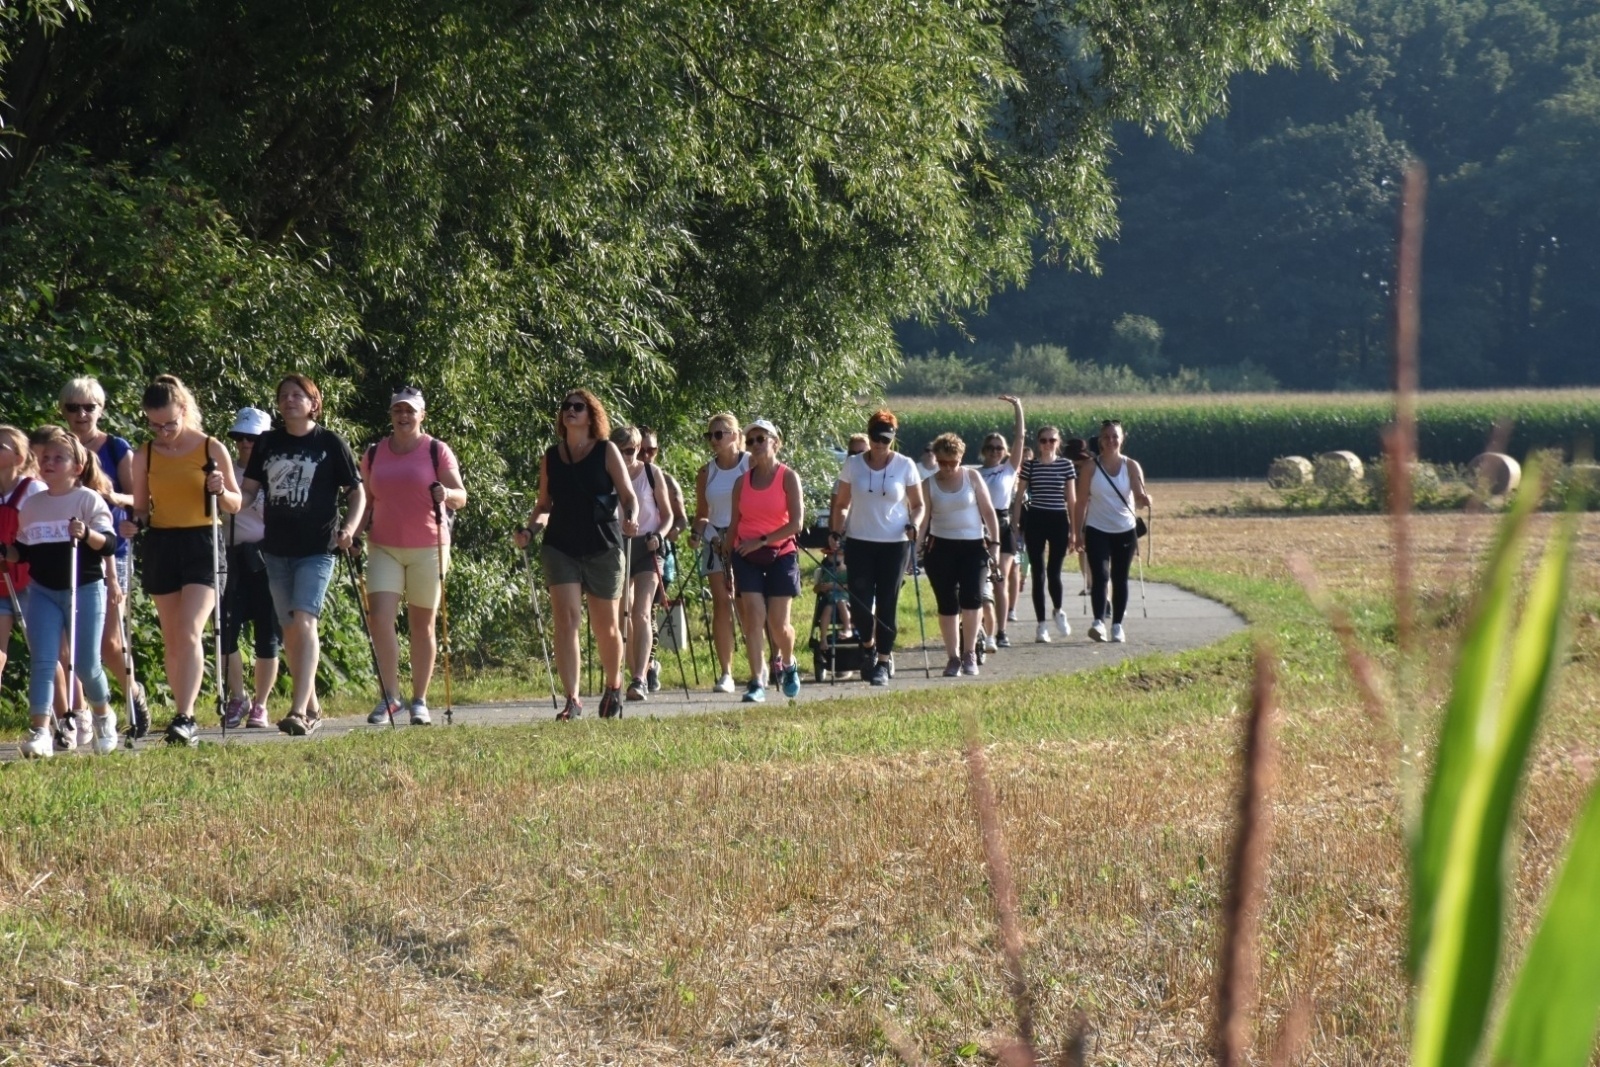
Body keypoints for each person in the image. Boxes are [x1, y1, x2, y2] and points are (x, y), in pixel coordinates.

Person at [240, 374, 365, 736]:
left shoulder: (330, 442)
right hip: (277, 548)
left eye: (298, 395)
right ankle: (312, 704)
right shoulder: (267, 443)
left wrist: (350, 529)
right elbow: (248, 492)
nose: (289, 400)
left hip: (318, 547)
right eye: (284, 395)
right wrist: (225, 498)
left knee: (305, 619)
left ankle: (298, 711)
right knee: (290, 629)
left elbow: (357, 492)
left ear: (314, 403)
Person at [124, 375, 242, 745]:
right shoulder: (145, 454)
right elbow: (141, 508)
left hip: (202, 541)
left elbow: (236, 503)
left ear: (184, 411)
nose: (163, 432)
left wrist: (220, 490)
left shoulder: (209, 447)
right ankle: (181, 711)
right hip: (162, 543)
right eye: (154, 425)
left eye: (169, 424)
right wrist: (134, 523)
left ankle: (186, 716)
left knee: (190, 628)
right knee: (173, 636)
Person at [512, 389, 638, 720]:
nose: (570, 410)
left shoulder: (606, 450)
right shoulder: (551, 457)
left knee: (606, 625)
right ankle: (573, 699)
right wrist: (530, 531)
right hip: (561, 545)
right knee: (566, 620)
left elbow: (628, 496)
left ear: (591, 415)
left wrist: (631, 517)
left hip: (602, 545)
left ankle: (613, 685)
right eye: (566, 406)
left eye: (578, 407)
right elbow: (544, 505)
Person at [4, 428, 119, 758]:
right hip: (42, 590)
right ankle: (40, 731)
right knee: (43, 660)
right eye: (45, 458)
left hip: (84, 588)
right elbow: (23, 551)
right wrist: (6, 552)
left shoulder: (87, 499)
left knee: (85, 663)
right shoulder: (33, 505)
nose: (49, 463)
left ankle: (103, 715)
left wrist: (86, 534)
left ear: (77, 466)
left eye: (58, 458)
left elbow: (109, 543)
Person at [355, 387, 467, 726]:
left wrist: (446, 493)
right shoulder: (374, 454)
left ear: (421, 415)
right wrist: (353, 534)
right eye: (398, 411)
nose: (403, 416)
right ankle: (391, 697)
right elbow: (365, 501)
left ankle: (419, 700)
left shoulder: (436, 450)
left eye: (410, 411)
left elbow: (461, 496)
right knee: (380, 619)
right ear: (391, 415)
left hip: (429, 547)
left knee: (422, 625)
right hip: (383, 546)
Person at [61, 377, 150, 736]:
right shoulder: (56, 447)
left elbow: (141, 500)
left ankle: (133, 695)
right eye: (73, 407)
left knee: (109, 642)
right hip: (63, 553)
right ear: (63, 410)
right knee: (66, 642)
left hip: (110, 553)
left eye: (89, 407)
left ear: (101, 409)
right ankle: (82, 714)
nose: (81, 414)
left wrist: (124, 511)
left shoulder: (115, 448)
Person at [829, 409, 925, 687]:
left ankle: (883, 661)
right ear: (869, 435)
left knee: (887, 603)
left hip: (894, 544)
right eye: (875, 437)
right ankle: (869, 647)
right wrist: (836, 530)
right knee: (860, 603)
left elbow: (918, 504)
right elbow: (842, 503)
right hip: (860, 542)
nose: (880, 444)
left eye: (885, 439)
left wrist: (914, 524)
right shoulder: (854, 464)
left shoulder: (905, 465)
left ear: (893, 438)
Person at [726, 419, 804, 702]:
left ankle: (788, 662)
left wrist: (762, 540)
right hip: (746, 555)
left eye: (761, 438)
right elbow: (734, 525)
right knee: (754, 617)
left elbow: (796, 523)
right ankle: (757, 680)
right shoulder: (741, 482)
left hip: (781, 553)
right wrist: (727, 563)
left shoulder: (788, 477)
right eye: (750, 441)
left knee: (778, 624)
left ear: (775, 442)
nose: (755, 444)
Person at [919, 433, 1000, 676]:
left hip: (973, 547)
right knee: (947, 603)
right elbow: (923, 521)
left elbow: (988, 511)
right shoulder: (929, 484)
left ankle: (969, 653)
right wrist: (914, 548)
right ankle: (953, 656)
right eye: (942, 462)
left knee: (972, 598)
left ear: (961, 458)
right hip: (940, 548)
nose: (947, 468)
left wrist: (995, 543)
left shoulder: (971, 477)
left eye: (952, 462)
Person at [220, 408, 280, 729]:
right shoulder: (225, 473)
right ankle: (238, 697)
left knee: (267, 634)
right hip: (230, 557)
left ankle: (261, 704)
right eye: (240, 437)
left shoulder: (277, 473)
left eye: (252, 438)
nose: (245, 443)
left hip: (267, 557)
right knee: (226, 630)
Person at [1074, 419, 1153, 643]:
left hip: (1125, 530)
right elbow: (1081, 502)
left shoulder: (1131, 466)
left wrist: (1145, 499)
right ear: (1100, 440)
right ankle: (1098, 622)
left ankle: (1117, 625)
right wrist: (1077, 533)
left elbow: (1138, 497)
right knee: (1100, 576)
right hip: (1097, 528)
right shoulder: (1090, 468)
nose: (1111, 441)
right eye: (1107, 437)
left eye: (1115, 436)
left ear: (1122, 439)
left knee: (1120, 578)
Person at [689, 412, 748, 694]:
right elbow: (702, 514)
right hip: (715, 541)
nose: (713, 440)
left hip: (746, 538)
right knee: (722, 603)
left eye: (719, 434)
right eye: (710, 435)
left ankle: (762, 664)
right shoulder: (706, 472)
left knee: (747, 601)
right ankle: (726, 673)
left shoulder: (750, 464)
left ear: (735, 435)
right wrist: (697, 533)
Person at [613, 425, 671, 702]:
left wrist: (658, 536)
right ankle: (634, 671)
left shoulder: (651, 473)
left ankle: (639, 678)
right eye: (619, 451)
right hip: (618, 548)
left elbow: (668, 515)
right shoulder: (607, 476)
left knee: (642, 613)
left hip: (648, 547)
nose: (626, 456)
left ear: (638, 449)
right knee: (623, 615)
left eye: (630, 450)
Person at [1012, 425, 1078, 642]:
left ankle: (1058, 610)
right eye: (1043, 440)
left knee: (1054, 572)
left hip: (1058, 520)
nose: (1048, 444)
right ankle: (1041, 625)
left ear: (1058, 443)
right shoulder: (1030, 466)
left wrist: (1074, 531)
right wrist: (1015, 524)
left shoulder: (1066, 465)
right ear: (1038, 443)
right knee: (1038, 574)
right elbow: (1019, 496)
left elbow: (1072, 500)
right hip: (1036, 519)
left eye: (1052, 440)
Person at [638, 427, 686, 694]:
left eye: (652, 450)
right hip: (629, 549)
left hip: (658, 554)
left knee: (649, 612)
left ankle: (649, 666)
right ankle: (640, 665)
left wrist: (670, 533)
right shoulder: (622, 476)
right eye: (641, 450)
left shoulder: (665, 480)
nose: (646, 455)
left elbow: (681, 519)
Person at [0, 425, 45, 709]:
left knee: (45, 651)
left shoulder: (33, 490)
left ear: (18, 457)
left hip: (32, 580)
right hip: (1, 579)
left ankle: (73, 713)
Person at [976, 395, 1025, 649]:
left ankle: (1002, 630)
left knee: (1000, 579)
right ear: (984, 451)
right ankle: (983, 628)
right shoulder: (974, 474)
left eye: (999, 448)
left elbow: (1020, 438)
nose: (995, 451)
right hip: (980, 526)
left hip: (1003, 525)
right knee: (980, 580)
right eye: (991, 448)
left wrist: (1018, 407)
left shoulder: (1008, 470)